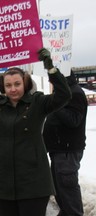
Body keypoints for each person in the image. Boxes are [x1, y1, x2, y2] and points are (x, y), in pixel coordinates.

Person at [0, 48, 71, 216]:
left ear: (25, 83)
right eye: (8, 85)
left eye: (17, 84)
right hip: (2, 180)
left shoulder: (38, 102)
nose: (13, 89)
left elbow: (64, 95)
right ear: (3, 87)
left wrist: (51, 68)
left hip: (33, 180)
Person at [43, 71, 88, 216]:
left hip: (67, 151)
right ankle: (65, 212)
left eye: (53, 78)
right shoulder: (62, 93)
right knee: (59, 188)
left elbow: (74, 120)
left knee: (67, 188)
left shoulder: (74, 93)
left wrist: (57, 105)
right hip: (59, 150)